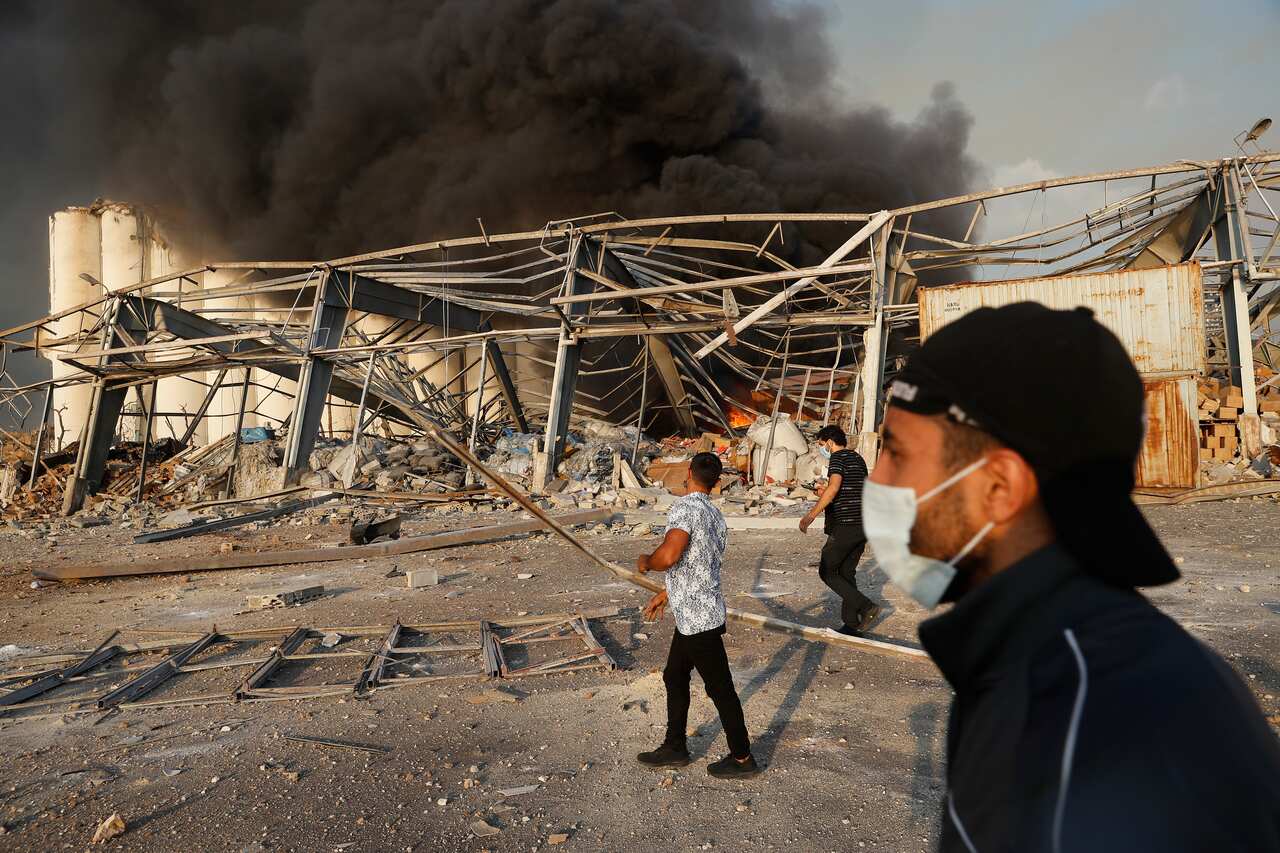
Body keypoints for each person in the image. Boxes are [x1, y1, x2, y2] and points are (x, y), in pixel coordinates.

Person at [863, 302, 1280, 852]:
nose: (877, 479)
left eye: (895, 452)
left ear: (999, 487)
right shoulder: (1043, 664)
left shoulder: (1094, 731)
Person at [634, 451, 760, 779]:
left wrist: (648, 560)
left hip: (697, 619)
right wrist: (666, 593)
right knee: (674, 676)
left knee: (720, 688)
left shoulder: (685, 508)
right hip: (698, 610)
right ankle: (674, 746)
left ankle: (743, 758)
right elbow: (697, 565)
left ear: (688, 472)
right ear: (717, 482)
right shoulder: (715, 516)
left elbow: (672, 554)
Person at [799, 425, 881, 634]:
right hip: (863, 524)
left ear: (829, 442)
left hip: (846, 524)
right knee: (846, 572)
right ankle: (851, 623)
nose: (821, 449)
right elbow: (848, 489)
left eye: (820, 445)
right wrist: (823, 492)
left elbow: (835, 488)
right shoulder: (858, 459)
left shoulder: (837, 458)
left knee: (827, 571)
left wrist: (810, 516)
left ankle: (866, 606)